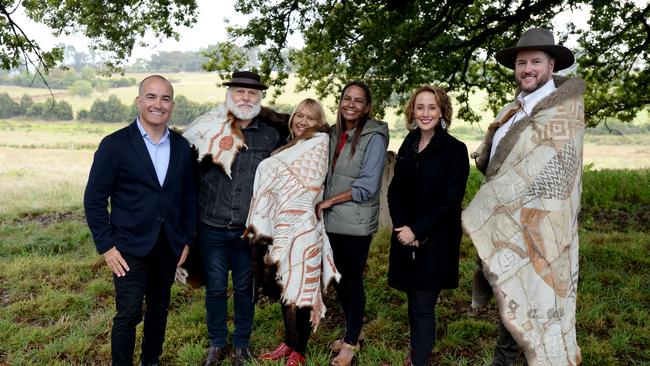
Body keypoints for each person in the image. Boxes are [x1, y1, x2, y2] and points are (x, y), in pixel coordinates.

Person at [462, 28, 585, 365]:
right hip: (508, 228)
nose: (527, 69)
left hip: (542, 229)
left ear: (552, 64)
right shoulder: (513, 108)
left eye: (535, 62)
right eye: (521, 63)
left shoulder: (563, 111)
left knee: (537, 312)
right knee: (514, 310)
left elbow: (554, 175)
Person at [84, 75, 197, 366]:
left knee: (159, 308)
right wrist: (107, 247)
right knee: (129, 313)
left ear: (172, 105)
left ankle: (151, 360)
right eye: (151, 97)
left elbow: (188, 198)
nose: (158, 104)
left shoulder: (183, 148)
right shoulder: (115, 145)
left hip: (168, 244)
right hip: (127, 248)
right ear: (139, 101)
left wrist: (185, 239)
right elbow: (94, 199)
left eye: (165, 98)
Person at [183, 71, 285, 366]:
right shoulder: (208, 130)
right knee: (215, 288)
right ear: (229, 95)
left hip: (247, 230)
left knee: (244, 289)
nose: (245, 97)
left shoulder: (270, 136)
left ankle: (241, 344)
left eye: (252, 94)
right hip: (211, 226)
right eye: (240, 91)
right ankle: (217, 343)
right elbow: (186, 172)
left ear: (259, 99)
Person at [245, 98, 341, 366]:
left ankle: (300, 349)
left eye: (310, 118)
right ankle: (289, 343)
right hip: (283, 228)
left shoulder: (318, 143)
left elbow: (303, 181)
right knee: (286, 286)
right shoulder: (291, 144)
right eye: (299, 115)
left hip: (304, 228)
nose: (303, 121)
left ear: (319, 123)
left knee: (301, 290)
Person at [387, 86, 469, 366]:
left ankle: (420, 360)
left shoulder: (455, 150)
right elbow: (394, 191)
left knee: (423, 304)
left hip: (437, 240)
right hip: (405, 236)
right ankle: (417, 354)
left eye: (431, 107)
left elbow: (450, 200)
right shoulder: (408, 144)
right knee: (413, 300)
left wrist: (417, 231)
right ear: (412, 111)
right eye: (420, 107)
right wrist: (402, 228)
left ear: (442, 111)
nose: (425, 113)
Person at [316, 81, 389, 366]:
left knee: (353, 281)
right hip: (332, 222)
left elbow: (367, 186)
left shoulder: (374, 137)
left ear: (368, 107)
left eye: (359, 100)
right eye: (347, 98)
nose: (351, 104)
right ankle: (353, 332)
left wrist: (330, 201)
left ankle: (350, 342)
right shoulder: (333, 134)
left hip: (356, 222)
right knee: (340, 280)